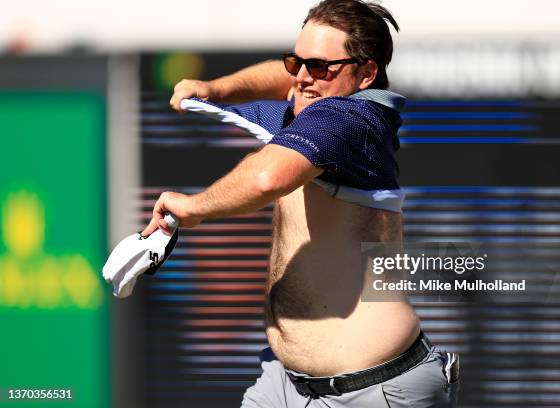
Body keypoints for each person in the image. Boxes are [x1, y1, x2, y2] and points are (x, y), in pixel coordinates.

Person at [143, 0, 459, 406]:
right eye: (298, 63)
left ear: (366, 74)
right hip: (284, 385)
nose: (303, 79)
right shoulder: (309, 106)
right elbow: (285, 75)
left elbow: (265, 177)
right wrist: (214, 89)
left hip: (375, 391)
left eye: (321, 67)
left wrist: (193, 208)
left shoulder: (350, 120)